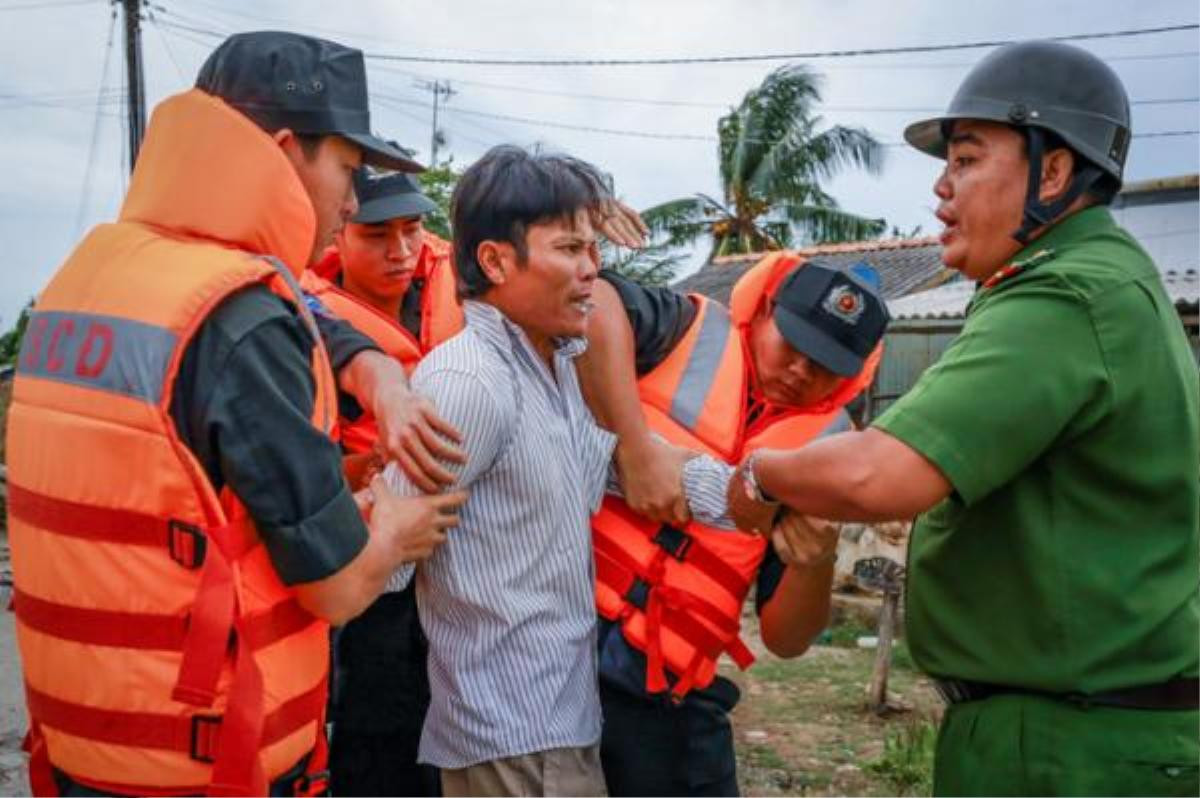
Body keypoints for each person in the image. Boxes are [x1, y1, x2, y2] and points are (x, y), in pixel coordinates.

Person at [732, 41, 1200, 797]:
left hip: (1066, 750)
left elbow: (877, 474)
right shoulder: (1101, 283)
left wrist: (750, 473)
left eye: (967, 160)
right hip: (1071, 729)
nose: (942, 190)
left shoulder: (1064, 296)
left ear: (1053, 172)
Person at [5, 31, 466, 796]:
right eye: (348, 170)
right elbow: (339, 587)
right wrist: (394, 531)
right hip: (208, 758)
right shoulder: (247, 320)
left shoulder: (86, 276)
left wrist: (374, 373)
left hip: (84, 745)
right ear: (287, 151)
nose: (353, 200)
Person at [381, 145, 722, 798]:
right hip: (510, 740)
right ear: (495, 261)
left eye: (594, 251)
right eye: (570, 249)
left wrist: (767, 491)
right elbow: (388, 560)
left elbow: (625, 469)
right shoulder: (467, 383)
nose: (592, 270)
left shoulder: (557, 369)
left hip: (558, 726)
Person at [575, 255, 889, 796]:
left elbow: (786, 641)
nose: (800, 371)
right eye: (792, 343)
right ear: (764, 311)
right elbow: (593, 299)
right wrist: (635, 449)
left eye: (825, 366)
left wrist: (815, 561)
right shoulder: (680, 327)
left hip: (665, 692)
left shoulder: (829, 454)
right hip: (557, 641)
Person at [303, 166, 462, 797]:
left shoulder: (460, 286)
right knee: (376, 736)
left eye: (412, 229)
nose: (401, 251)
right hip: (369, 567)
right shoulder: (304, 313)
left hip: (461, 553)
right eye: (378, 234)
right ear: (340, 231)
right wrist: (353, 474)